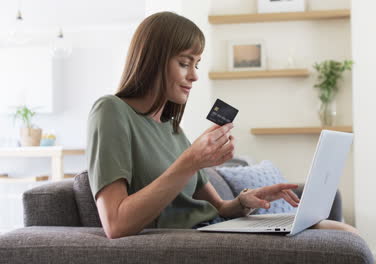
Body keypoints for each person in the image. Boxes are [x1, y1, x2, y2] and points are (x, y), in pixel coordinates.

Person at [86, 11, 358, 239]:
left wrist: (245, 200)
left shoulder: (171, 128)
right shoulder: (111, 111)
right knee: (339, 234)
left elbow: (220, 208)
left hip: (216, 228)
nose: (194, 75)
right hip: (195, 238)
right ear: (153, 60)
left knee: (343, 232)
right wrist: (190, 161)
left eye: (197, 64)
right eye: (184, 63)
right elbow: (116, 224)